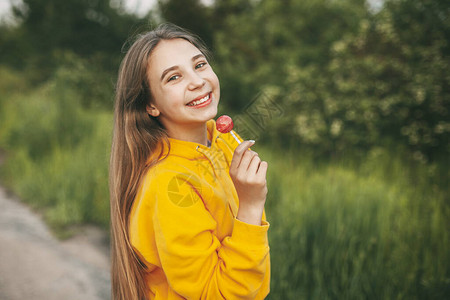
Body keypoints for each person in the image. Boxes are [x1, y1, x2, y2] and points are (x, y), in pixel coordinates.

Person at [109, 23, 270, 300]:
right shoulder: (170, 185)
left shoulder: (221, 140)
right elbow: (217, 294)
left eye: (199, 65)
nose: (197, 81)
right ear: (151, 105)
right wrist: (251, 205)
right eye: (173, 78)